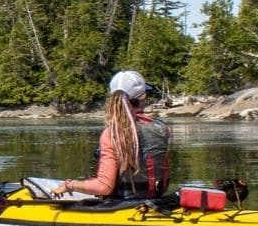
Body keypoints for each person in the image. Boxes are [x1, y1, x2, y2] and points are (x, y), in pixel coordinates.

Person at [56, 70, 172, 199]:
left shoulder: (111, 134)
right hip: (156, 199)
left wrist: (70, 185)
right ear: (143, 99)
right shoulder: (162, 128)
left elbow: (104, 187)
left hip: (123, 203)